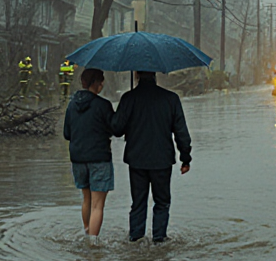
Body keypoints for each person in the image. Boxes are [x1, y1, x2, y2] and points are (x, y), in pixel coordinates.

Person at [112, 71, 192, 243]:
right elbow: (181, 132)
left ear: (136, 76)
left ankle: (135, 240)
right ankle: (159, 240)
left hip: (136, 160)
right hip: (162, 160)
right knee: (162, 202)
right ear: (155, 74)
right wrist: (186, 158)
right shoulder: (171, 98)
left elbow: (116, 129)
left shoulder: (129, 98)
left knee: (138, 203)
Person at [63, 67, 116, 237]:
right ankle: (93, 244)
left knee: (86, 199)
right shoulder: (103, 105)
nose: (102, 85)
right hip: (99, 158)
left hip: (78, 159)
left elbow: (67, 133)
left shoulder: (72, 105)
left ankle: (86, 232)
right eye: (101, 82)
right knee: (97, 205)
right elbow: (114, 129)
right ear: (95, 83)